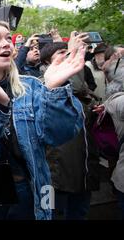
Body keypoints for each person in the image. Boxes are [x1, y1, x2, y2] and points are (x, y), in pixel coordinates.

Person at [0, 21, 85, 220]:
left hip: (30, 186)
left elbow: (60, 134)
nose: (6, 43)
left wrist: (54, 89)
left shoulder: (32, 87)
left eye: (7, 38)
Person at [40, 41, 100, 220]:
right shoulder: (39, 88)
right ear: (47, 63)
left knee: (78, 214)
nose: (68, 56)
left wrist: (95, 111)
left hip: (84, 170)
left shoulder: (82, 93)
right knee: (46, 213)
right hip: (50, 176)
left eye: (69, 53)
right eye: (62, 53)